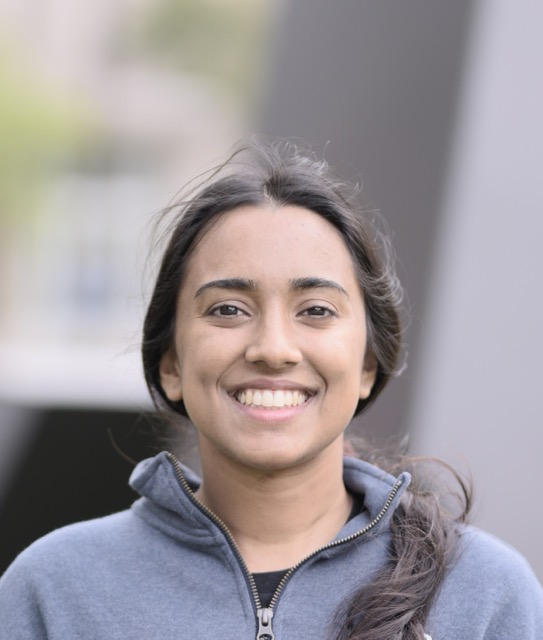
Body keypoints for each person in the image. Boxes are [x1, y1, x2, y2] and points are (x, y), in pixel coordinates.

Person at [0, 140, 541, 640]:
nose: (274, 348)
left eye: (316, 310)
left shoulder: (485, 595)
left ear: (367, 365)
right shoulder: (54, 590)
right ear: (170, 364)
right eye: (228, 309)